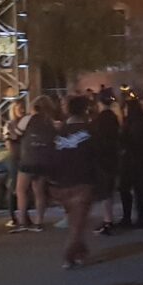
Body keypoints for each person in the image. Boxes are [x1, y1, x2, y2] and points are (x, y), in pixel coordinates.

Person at [49, 95, 98, 268]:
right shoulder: (90, 131)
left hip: (62, 182)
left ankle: (80, 252)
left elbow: (52, 157)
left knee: (75, 220)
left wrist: (52, 181)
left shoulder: (59, 133)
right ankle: (68, 255)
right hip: (83, 180)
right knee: (77, 223)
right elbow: (97, 156)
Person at [12, 95, 57, 231]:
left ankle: (22, 222)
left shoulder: (27, 119)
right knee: (39, 192)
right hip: (43, 160)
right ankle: (39, 222)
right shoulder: (50, 122)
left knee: (21, 190)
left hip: (28, 159)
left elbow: (16, 134)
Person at [118, 93, 143, 227]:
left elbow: (131, 141)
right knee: (140, 190)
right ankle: (139, 217)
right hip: (140, 161)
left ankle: (130, 217)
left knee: (130, 189)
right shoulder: (141, 121)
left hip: (134, 161)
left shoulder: (134, 123)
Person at [91, 89, 122, 235]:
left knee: (105, 191)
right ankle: (108, 219)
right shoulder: (113, 117)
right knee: (108, 190)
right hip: (112, 156)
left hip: (103, 158)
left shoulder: (101, 119)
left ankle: (107, 221)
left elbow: (98, 139)